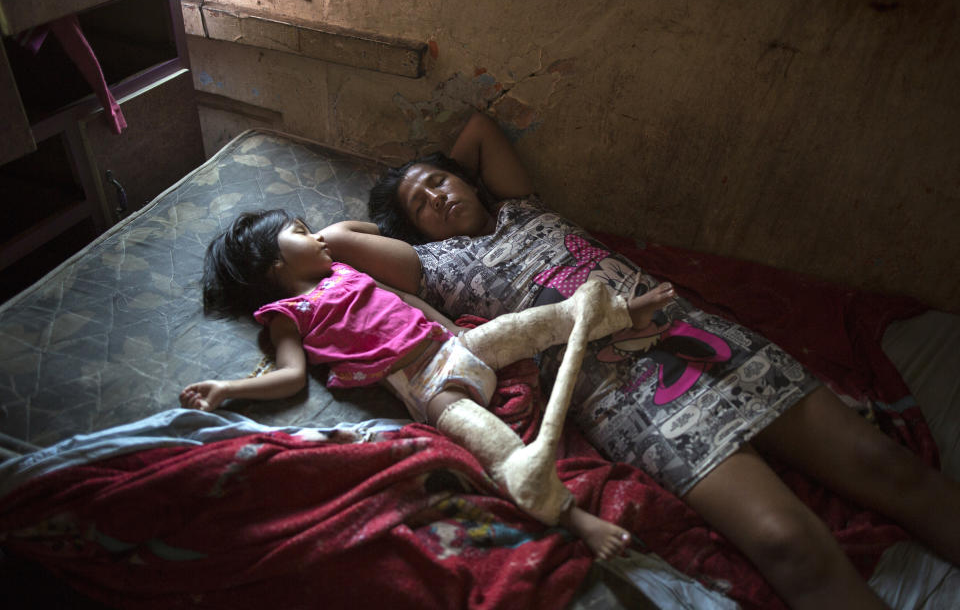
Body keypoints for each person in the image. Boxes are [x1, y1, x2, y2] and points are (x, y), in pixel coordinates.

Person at [321, 111, 960, 609]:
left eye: (439, 182)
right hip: (622, 390)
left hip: (691, 333)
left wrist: (443, 175)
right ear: (415, 234)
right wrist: (411, 215)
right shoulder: (432, 266)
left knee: (884, 464)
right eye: (420, 206)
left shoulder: (522, 206)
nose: (434, 197)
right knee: (785, 545)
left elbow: (482, 130)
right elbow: (335, 242)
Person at [180, 208, 678, 559]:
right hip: (430, 387)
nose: (320, 236)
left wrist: (453, 328)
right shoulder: (287, 315)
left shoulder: (344, 270)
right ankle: (574, 519)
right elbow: (290, 377)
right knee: (495, 450)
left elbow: (403, 300)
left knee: (538, 324)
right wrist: (228, 389)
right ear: (275, 266)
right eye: (302, 231)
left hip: (454, 346)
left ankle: (618, 314)